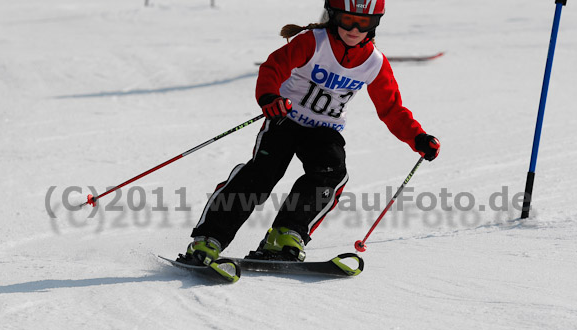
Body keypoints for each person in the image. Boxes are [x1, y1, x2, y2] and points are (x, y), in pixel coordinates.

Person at [182, 0, 440, 265]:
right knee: (261, 176)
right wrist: (270, 97)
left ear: (375, 25)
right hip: (285, 119)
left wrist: (418, 137)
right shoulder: (313, 42)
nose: (353, 29)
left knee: (331, 174)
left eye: (363, 23)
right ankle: (209, 238)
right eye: (346, 20)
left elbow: (392, 109)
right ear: (333, 16)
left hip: (325, 130)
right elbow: (273, 67)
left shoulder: (374, 63)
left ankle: (285, 235)